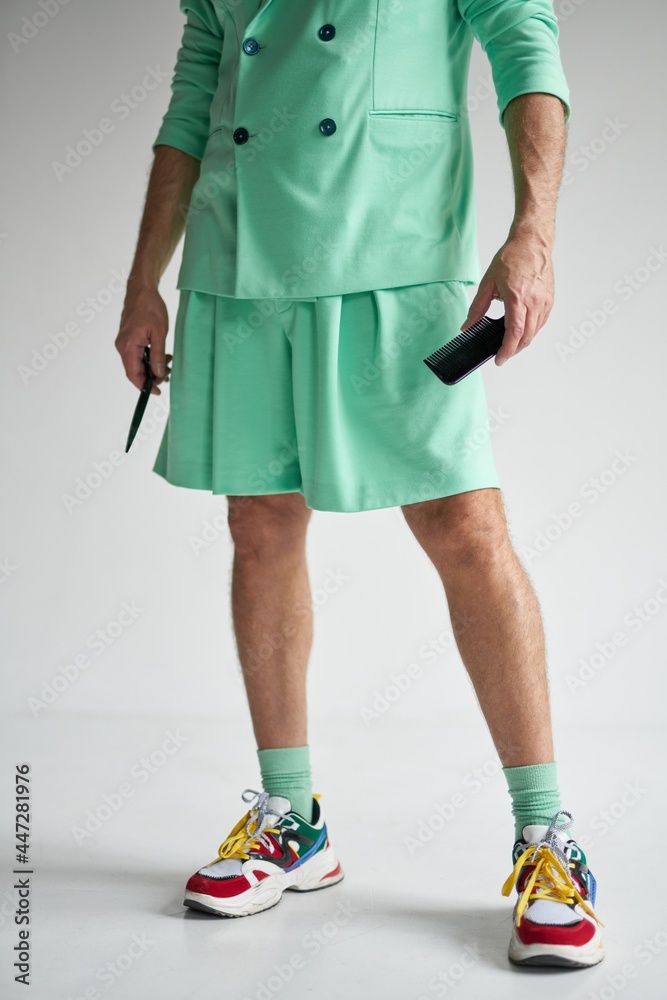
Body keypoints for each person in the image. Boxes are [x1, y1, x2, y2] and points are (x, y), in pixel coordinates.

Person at [115, 0, 604, 969]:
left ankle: (548, 835)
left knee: (465, 525)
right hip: (239, 255)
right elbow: (192, 96)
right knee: (257, 525)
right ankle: (292, 818)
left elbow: (523, 46)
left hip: (398, 252)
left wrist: (533, 232)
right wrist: (144, 279)